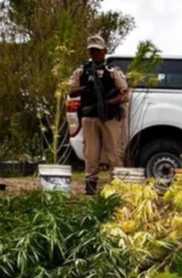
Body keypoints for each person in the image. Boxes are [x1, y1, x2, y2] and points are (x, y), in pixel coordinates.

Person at [68, 34, 129, 195]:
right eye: (92, 51)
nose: (94, 54)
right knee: (91, 154)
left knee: (114, 154)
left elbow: (125, 94)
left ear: (104, 51)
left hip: (110, 117)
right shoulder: (82, 71)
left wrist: (109, 102)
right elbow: (71, 91)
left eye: (97, 50)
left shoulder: (113, 71)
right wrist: (86, 88)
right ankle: (90, 188)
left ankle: (117, 188)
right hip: (90, 117)